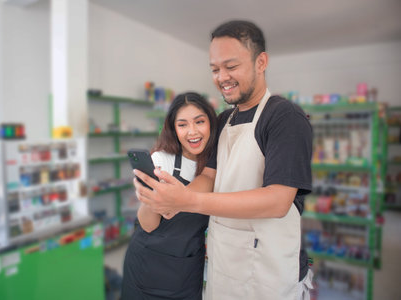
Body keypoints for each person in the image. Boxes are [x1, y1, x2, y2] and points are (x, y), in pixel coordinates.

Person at [133, 20, 314, 300]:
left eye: (231, 66)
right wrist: (172, 200)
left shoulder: (284, 118)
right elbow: (209, 176)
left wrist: (188, 201)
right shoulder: (224, 120)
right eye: (215, 69)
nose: (221, 77)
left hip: (269, 269)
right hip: (225, 263)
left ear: (261, 62)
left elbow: (279, 200)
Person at [121, 92, 218, 300]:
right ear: (174, 129)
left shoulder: (217, 162)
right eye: (182, 125)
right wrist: (151, 199)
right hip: (147, 267)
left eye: (199, 122)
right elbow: (148, 225)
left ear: (211, 122)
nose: (192, 132)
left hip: (187, 268)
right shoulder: (162, 160)